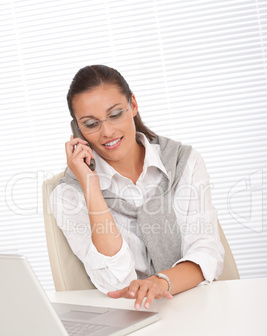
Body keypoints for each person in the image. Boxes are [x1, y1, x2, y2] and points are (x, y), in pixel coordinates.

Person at [50, 64, 224, 310]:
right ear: (78, 130)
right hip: (127, 316)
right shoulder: (69, 194)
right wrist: (91, 187)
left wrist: (160, 282)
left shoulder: (183, 161)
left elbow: (207, 253)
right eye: (91, 124)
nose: (107, 131)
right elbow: (115, 281)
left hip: (194, 304)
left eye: (115, 114)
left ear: (133, 104)